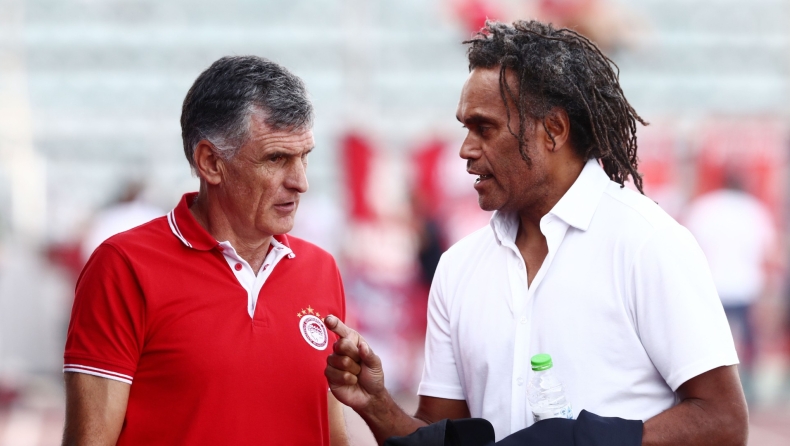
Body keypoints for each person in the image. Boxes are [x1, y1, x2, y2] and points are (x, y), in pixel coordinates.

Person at [325, 20, 747, 445]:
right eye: (465, 129)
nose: (466, 149)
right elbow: (436, 437)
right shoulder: (457, 268)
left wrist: (587, 440)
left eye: (484, 128)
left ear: (554, 130)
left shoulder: (648, 243)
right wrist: (377, 405)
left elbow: (723, 421)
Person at [62, 56, 349, 445]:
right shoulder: (124, 266)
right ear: (211, 162)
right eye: (276, 158)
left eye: (304, 157)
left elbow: (331, 435)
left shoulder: (321, 268)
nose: (300, 182)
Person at [684, 173, 777, 395]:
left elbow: (688, 246)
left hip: (711, 284)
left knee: (709, 340)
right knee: (748, 338)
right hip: (746, 285)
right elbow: (768, 251)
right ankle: (749, 387)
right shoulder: (754, 210)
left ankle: (709, 389)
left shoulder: (705, 207)